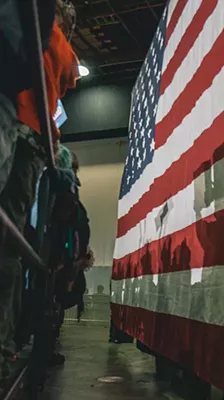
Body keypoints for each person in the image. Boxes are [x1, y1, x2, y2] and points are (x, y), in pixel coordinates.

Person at [0, 1, 79, 381]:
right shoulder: (63, 49)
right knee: (11, 240)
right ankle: (4, 346)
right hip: (32, 136)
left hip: (16, 121)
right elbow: (66, 81)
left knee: (11, 240)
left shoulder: (42, 30)